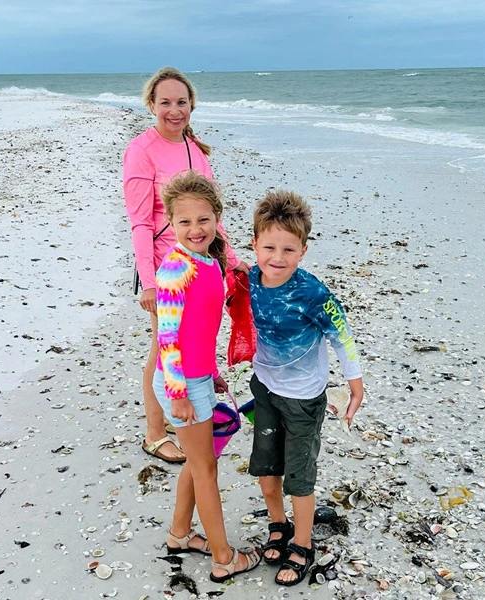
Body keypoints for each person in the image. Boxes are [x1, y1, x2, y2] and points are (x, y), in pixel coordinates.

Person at [123, 66, 247, 463]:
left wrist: (232, 259)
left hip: (203, 260)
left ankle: (187, 413)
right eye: (165, 103)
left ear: (191, 104)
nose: (174, 111)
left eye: (182, 102)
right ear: (151, 106)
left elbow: (211, 214)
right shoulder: (140, 150)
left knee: (196, 338)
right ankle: (155, 433)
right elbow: (140, 222)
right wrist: (148, 283)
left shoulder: (195, 148)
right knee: (162, 349)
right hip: (166, 269)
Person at [247, 190, 364, 586]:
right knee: (266, 470)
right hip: (264, 387)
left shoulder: (313, 293)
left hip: (303, 399)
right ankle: (277, 524)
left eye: (288, 249)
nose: (277, 257)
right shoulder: (249, 278)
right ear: (255, 244)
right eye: (269, 247)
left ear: (303, 250)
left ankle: (302, 541)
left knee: (299, 475)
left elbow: (341, 333)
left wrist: (355, 383)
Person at [154, 170, 261, 582]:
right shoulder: (175, 270)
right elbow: (167, 337)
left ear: (217, 217)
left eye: (203, 220)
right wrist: (179, 393)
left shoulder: (208, 261)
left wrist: (213, 370)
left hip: (198, 378)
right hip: (180, 385)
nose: (195, 229)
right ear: (171, 223)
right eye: (184, 222)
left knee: (199, 462)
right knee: (205, 470)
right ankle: (223, 558)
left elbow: (197, 328)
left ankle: (179, 535)